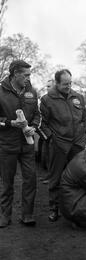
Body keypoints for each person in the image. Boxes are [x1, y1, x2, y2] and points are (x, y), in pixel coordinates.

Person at [40, 69, 86, 222]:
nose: (68, 86)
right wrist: (51, 139)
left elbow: (85, 119)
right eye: (65, 84)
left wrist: (83, 135)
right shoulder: (47, 100)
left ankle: (77, 207)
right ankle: (54, 208)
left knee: (79, 177)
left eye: (70, 83)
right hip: (59, 145)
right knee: (55, 178)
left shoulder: (78, 97)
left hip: (77, 145)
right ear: (57, 83)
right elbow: (43, 124)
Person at [0, 60, 40, 228]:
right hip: (7, 144)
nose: (28, 78)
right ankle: (4, 216)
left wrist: (34, 127)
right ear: (15, 74)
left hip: (27, 145)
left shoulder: (31, 91)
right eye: (26, 75)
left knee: (30, 179)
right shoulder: (1, 91)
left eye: (29, 75)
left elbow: (37, 115)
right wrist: (9, 123)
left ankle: (27, 215)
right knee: (7, 182)